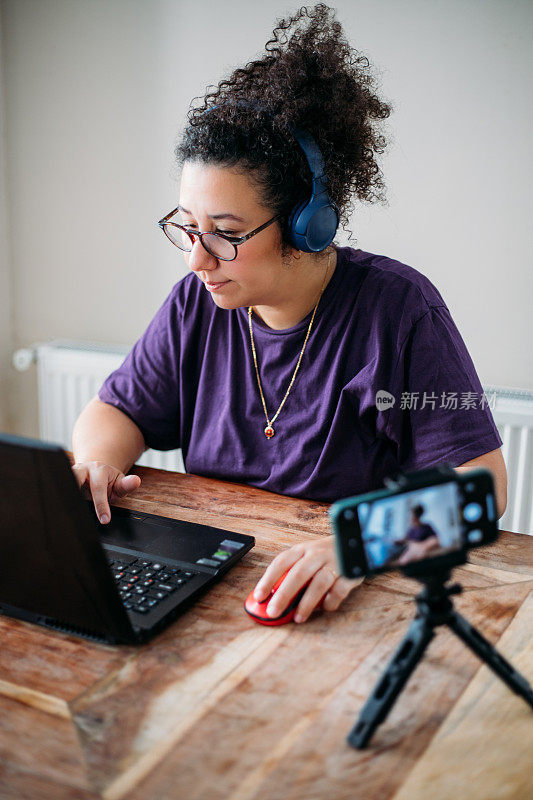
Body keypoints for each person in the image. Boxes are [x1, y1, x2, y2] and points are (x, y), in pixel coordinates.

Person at [72, 4, 507, 625]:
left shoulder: (398, 312)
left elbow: (483, 490)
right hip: (221, 590)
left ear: (308, 224)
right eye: (187, 228)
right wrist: (97, 463)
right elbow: (116, 410)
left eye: (224, 233)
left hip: (349, 601)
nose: (198, 259)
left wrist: (354, 544)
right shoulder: (198, 303)